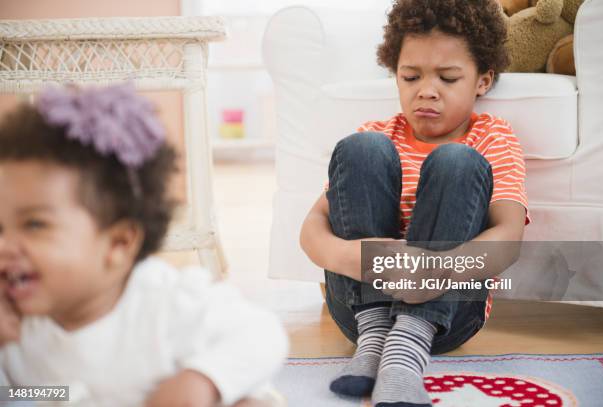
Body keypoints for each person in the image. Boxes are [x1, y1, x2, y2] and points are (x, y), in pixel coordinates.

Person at [300, 0, 530, 406]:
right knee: (361, 147)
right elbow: (311, 231)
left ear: (483, 80)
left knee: (456, 161)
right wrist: (356, 257)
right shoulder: (377, 134)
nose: (427, 90)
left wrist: (435, 271)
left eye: (448, 77)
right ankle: (373, 341)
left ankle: (406, 350)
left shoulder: (492, 138)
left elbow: (508, 239)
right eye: (410, 76)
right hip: (359, 310)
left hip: (447, 317)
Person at [0, 83, 288, 407]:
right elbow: (31, 394)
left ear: (119, 243)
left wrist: (200, 380)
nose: (5, 247)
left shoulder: (166, 301)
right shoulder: (17, 326)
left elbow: (262, 334)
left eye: (34, 225)